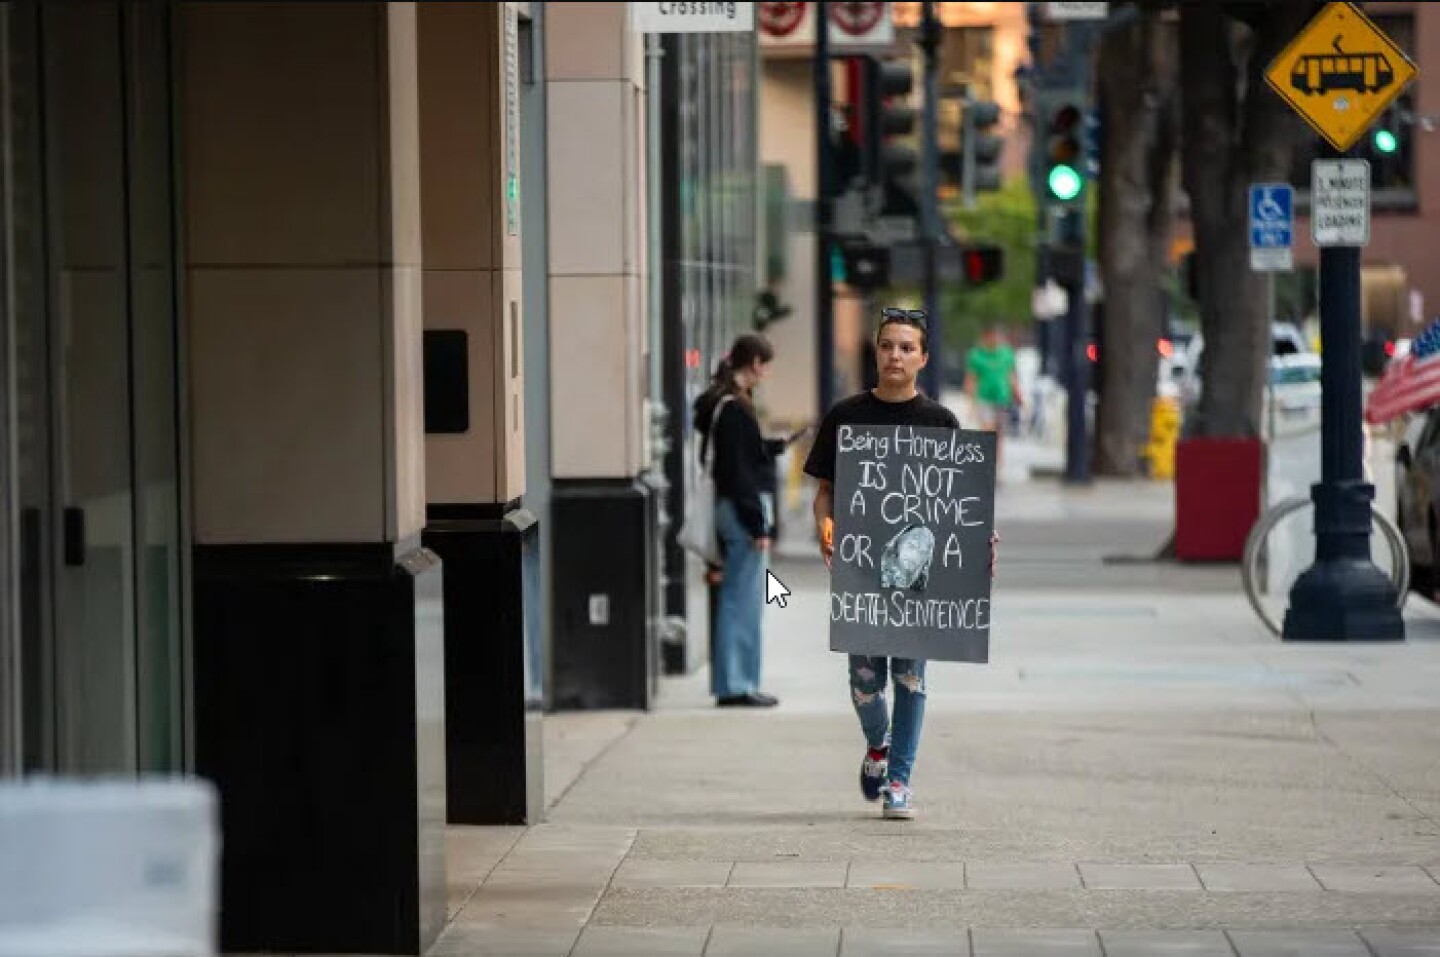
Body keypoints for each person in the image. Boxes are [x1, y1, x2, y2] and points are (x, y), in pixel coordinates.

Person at [804, 307, 996, 820]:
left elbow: (961, 506)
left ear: (923, 358)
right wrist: (825, 524)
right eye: (888, 345)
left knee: (911, 680)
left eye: (906, 347)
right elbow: (825, 492)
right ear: (876, 351)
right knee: (865, 683)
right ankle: (877, 743)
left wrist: (979, 545)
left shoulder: (940, 422)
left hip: (921, 582)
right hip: (861, 573)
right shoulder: (846, 415)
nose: (895, 355)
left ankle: (900, 783)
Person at [692, 333, 783, 708]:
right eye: (765, 364)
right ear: (756, 363)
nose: (765, 373)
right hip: (742, 511)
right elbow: (738, 472)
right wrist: (758, 524)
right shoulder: (734, 408)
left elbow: (735, 460)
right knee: (742, 600)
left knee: (736, 596)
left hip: (730, 508)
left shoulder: (719, 404)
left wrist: (770, 448)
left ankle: (736, 680)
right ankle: (737, 683)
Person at [964, 325, 1021, 471]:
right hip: (984, 398)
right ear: (985, 337)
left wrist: (1018, 395)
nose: (995, 339)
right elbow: (971, 379)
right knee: (987, 432)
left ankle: (996, 465)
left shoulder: (1006, 354)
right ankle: (986, 464)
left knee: (999, 434)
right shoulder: (977, 355)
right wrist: (971, 402)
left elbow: (1011, 376)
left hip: (1002, 398)